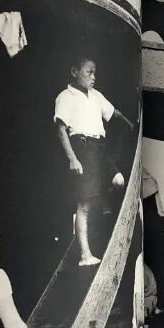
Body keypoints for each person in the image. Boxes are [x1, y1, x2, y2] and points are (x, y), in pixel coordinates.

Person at [54, 57, 134, 266]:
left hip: (100, 148)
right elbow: (61, 129)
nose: (93, 77)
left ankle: (103, 200)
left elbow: (114, 113)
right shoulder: (65, 97)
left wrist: (131, 124)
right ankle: (85, 255)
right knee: (84, 203)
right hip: (82, 148)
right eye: (89, 72)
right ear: (74, 72)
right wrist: (73, 158)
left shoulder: (96, 95)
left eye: (95, 73)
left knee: (119, 181)